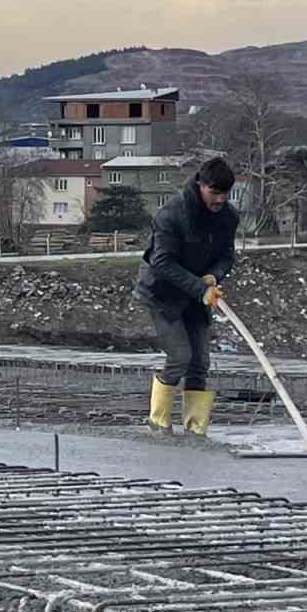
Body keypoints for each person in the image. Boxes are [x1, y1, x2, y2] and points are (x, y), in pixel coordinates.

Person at [134, 157, 239, 438]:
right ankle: (158, 421)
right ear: (201, 185)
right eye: (214, 193)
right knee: (180, 356)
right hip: (163, 294)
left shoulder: (228, 216)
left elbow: (227, 254)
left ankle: (195, 428)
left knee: (200, 363)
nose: (220, 199)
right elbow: (163, 262)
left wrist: (214, 276)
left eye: (225, 193)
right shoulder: (172, 214)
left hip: (197, 293)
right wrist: (199, 287)